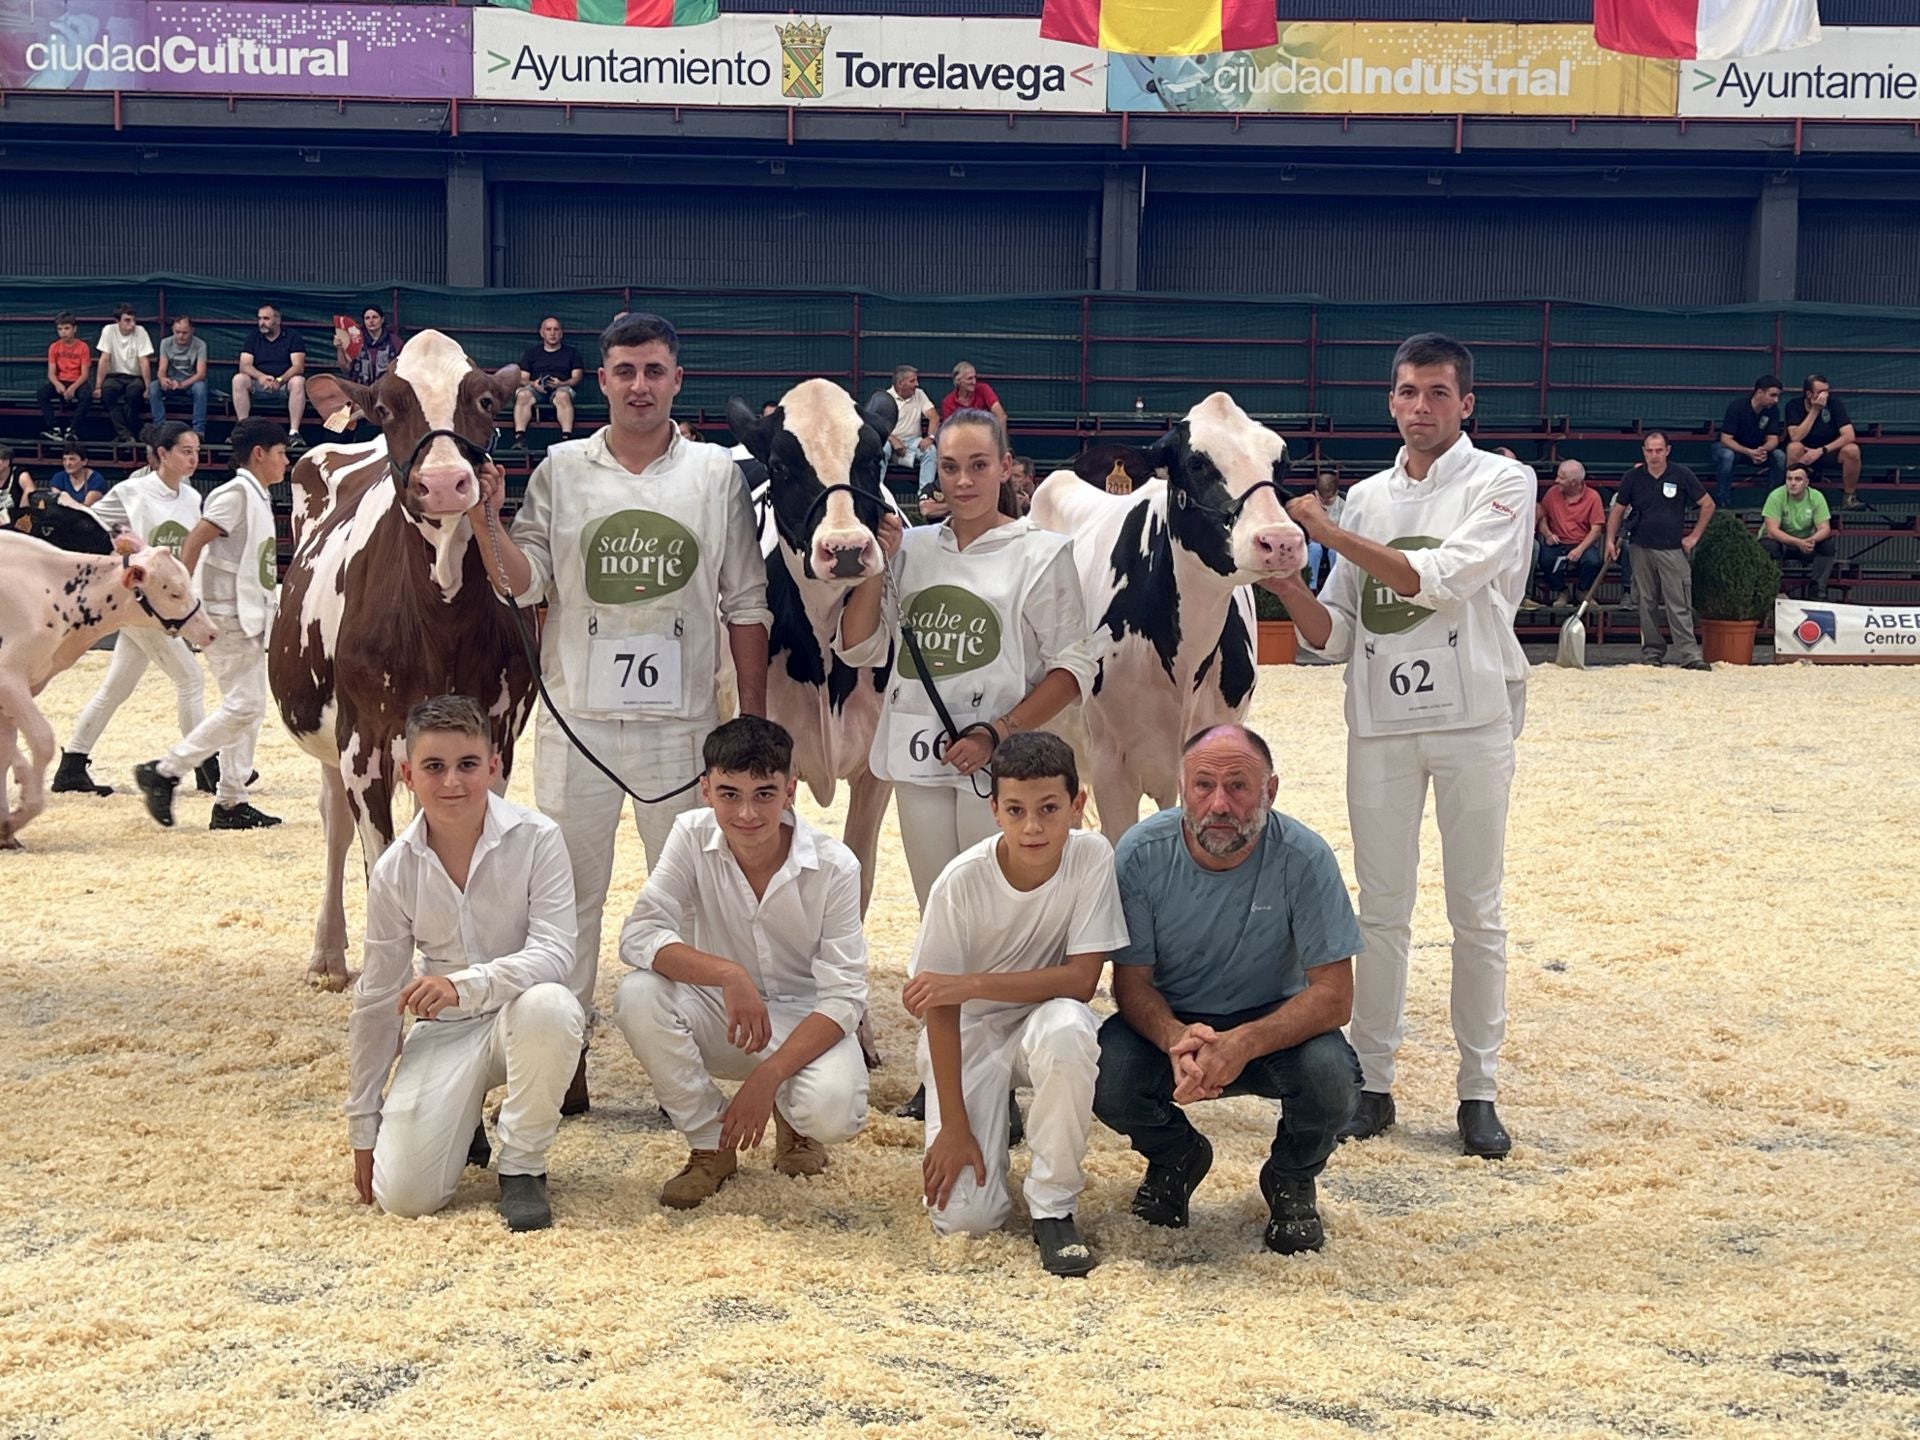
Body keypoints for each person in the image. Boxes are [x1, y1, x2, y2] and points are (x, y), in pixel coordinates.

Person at [472, 312, 772, 1076]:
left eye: (654, 371)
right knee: (567, 894)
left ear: (677, 380)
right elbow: (523, 583)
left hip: (686, 730)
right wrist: (484, 516)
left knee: (696, 897)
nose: (640, 386)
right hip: (580, 721)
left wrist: (756, 723)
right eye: (625, 371)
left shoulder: (714, 476)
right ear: (602, 379)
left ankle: (694, 1055)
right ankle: (560, 1059)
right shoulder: (559, 469)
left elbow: (745, 602)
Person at [1277, 332, 1534, 1160]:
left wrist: (1326, 529)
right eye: (1406, 392)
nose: (1419, 407)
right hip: (1381, 723)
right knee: (1379, 908)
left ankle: (1478, 1089)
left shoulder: (1503, 481)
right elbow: (1335, 632)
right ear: (1389, 400)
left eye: (1436, 393)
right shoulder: (1366, 499)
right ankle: (1374, 1081)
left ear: (1466, 404)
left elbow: (1442, 577)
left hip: (1474, 718)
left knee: (1476, 910)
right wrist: (1285, 571)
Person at [1093, 725, 1362, 1253]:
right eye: (1203, 786)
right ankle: (1176, 1156)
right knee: (1101, 1072)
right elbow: (1131, 982)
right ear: (1181, 786)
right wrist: (1175, 1038)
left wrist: (1243, 1043)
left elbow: (1335, 994)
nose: (1219, 804)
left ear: (1271, 791)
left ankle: (1291, 1176)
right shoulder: (1140, 853)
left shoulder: (1305, 858)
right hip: (1172, 1021)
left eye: (1239, 786)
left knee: (1334, 1080)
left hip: (1272, 1024)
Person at [836, 407, 1097, 910]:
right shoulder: (909, 548)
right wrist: (875, 568)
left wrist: (998, 732)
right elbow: (858, 645)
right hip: (918, 756)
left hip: (1003, 765)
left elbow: (1073, 668)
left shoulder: (1042, 554)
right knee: (938, 905)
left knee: (1001, 907)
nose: (963, 481)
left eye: (978, 465)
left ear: (1005, 467)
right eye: (950, 466)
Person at [347, 694, 585, 1233]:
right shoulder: (393, 870)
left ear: (494, 766)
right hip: (445, 1033)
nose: (452, 782)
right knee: (405, 1197)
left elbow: (556, 952)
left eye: (467, 765)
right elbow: (378, 997)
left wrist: (464, 984)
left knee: (552, 1005)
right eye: (434, 767)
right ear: (407, 774)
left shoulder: (538, 838)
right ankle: (463, 1117)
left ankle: (523, 1164)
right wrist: (363, 1124)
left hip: (522, 1019)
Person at [612, 716, 869, 1209]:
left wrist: (768, 1076)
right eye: (730, 794)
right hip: (724, 1014)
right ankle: (711, 1145)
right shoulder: (689, 834)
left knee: (836, 1112)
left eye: (765, 794)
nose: (747, 813)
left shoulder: (837, 866)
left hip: (803, 1020)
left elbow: (845, 997)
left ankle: (794, 1123)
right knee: (636, 993)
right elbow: (639, 934)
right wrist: (729, 976)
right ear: (705, 790)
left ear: (791, 790)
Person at [905, 731, 1126, 1277]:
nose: (1033, 827)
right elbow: (940, 1008)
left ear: (1078, 805)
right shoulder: (958, 884)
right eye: (1016, 810)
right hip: (967, 1032)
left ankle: (1054, 1206)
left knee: (1072, 1031)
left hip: (1044, 1017)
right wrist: (954, 1125)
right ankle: (988, 1113)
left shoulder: (1094, 855)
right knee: (964, 1218)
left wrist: (971, 983)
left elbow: (1080, 980)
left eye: (1050, 809)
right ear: (995, 810)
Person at [133, 418, 291, 831]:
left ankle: (231, 801)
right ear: (259, 454)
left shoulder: (254, 495)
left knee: (248, 710)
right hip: (225, 614)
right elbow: (194, 540)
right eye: (280, 453)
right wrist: (180, 603)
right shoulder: (235, 493)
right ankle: (166, 770)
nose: (286, 461)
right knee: (246, 705)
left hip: (247, 612)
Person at [54, 422, 209, 798]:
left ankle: (72, 766)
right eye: (185, 450)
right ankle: (208, 769)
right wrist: (116, 548)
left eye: (196, 451)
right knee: (190, 680)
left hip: (169, 607)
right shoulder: (131, 491)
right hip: (138, 604)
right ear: (161, 454)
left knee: (115, 688)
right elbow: (86, 519)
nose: (193, 457)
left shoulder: (191, 497)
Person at [1606, 431, 1715, 670]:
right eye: (1649, 450)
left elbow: (1707, 504)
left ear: (1667, 450)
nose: (1654, 455)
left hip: (1672, 548)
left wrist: (1694, 536)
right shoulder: (1632, 477)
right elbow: (1618, 509)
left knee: (1679, 602)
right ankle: (1652, 653)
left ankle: (1689, 654)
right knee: (1646, 603)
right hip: (1640, 547)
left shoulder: (1681, 474)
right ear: (1643, 451)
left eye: (1658, 450)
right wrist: (1610, 540)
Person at [924, 362, 1008, 497]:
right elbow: (950, 431)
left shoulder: (984, 389)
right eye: (969, 379)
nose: (974, 382)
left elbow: (1001, 416)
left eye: (975, 378)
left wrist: (1001, 446)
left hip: (986, 443)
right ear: (958, 381)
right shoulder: (948, 402)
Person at [231, 303, 308, 448]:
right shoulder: (253, 337)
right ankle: (243, 428)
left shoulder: (292, 336)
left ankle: (294, 433)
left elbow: (298, 366)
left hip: (284, 383)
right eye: (259, 319)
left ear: (277, 320)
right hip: (259, 383)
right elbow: (244, 365)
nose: (261, 323)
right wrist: (260, 377)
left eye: (266, 318)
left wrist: (280, 380)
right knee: (239, 379)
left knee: (298, 381)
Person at [1784, 374, 1863, 512]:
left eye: (1827, 391)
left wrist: (1821, 450)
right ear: (1809, 394)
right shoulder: (1793, 405)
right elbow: (1795, 436)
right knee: (1793, 447)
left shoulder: (1834, 404)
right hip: (1804, 453)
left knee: (1852, 450)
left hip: (1828, 451)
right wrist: (1815, 410)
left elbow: (1849, 435)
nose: (1825, 395)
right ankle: (1794, 498)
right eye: (1821, 392)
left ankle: (1850, 497)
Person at [1532, 459, 1605, 606]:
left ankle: (1583, 591)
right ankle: (1561, 591)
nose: (1556, 480)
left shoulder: (1593, 497)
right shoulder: (1552, 493)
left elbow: (1596, 529)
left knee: (1593, 561)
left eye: (1561, 478)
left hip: (1582, 543)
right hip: (1558, 542)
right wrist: (1547, 534)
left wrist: (1580, 549)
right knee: (1545, 559)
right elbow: (1542, 514)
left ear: (1574, 482)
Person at [1760, 465, 1836, 599]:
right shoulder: (1776, 496)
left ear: (1806, 482)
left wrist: (1812, 540)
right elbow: (1772, 531)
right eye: (1789, 479)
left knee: (1827, 545)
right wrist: (1797, 542)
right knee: (1768, 545)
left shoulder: (1817, 497)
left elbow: (1825, 528)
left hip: (1807, 543)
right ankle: (1773, 590)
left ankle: (1817, 590)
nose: (1793, 483)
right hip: (1781, 543)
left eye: (1798, 479)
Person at [1715, 374, 1787, 510]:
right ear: (1759, 392)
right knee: (1726, 456)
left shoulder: (1773, 411)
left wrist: (1762, 450)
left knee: (1779, 456)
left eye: (1778, 396)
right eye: (1772, 395)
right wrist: (1749, 452)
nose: (1776, 400)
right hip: (1734, 449)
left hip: (1757, 450)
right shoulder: (1737, 407)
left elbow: (1773, 439)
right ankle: (1723, 502)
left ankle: (1773, 503)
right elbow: (1725, 440)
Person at [512, 317, 584, 452]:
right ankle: (519, 438)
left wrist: (562, 383)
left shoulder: (572, 353)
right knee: (523, 395)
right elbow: (522, 378)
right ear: (542, 333)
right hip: (536, 388)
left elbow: (576, 378)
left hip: (561, 387)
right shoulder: (532, 353)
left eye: (556, 329)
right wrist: (534, 384)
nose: (552, 333)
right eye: (548, 329)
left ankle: (566, 438)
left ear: (561, 333)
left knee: (563, 396)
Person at [92, 302, 154, 445]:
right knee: (107, 393)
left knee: (133, 395)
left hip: (135, 377)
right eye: (127, 320)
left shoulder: (141, 331)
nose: (132, 324)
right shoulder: (108, 330)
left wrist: (147, 386)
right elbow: (104, 359)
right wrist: (98, 386)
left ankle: (126, 435)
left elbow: (144, 361)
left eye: (133, 320)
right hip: (114, 376)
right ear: (117, 321)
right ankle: (126, 434)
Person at [147, 315, 209, 435]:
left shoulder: (200, 345)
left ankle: (198, 430)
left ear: (192, 330)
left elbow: (201, 373)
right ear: (172, 330)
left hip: (191, 382)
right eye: (177, 332)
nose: (180, 336)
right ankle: (159, 428)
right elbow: (161, 369)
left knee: (201, 387)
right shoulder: (165, 343)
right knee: (154, 387)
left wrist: (182, 384)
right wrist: (163, 379)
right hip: (171, 381)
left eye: (184, 332)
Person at [38, 312, 94, 442]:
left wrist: (73, 388)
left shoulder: (83, 347)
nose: (63, 332)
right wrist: (58, 384)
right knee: (42, 394)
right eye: (60, 329)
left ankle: (73, 429)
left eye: (67, 328)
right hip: (61, 380)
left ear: (74, 329)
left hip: (77, 381)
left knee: (86, 396)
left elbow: (85, 374)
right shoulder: (54, 347)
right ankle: (54, 428)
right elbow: (51, 372)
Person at [879, 364, 938, 483]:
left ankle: (925, 495)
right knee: (882, 450)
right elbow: (878, 427)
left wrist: (930, 437)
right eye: (912, 381)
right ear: (900, 383)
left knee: (930, 450)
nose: (917, 384)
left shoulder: (919, 394)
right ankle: (876, 491)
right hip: (890, 441)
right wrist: (893, 440)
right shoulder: (885, 398)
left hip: (913, 442)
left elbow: (934, 416)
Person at [334, 304, 401, 388]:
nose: (371, 321)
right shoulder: (355, 341)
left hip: (386, 393)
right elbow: (346, 369)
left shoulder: (395, 342)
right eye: (367, 318)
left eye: (375, 317)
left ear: (382, 319)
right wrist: (340, 348)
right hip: (360, 392)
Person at [1303, 472, 1345, 591]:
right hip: (1314, 539)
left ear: (1336, 493)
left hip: (1334, 540)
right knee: (1315, 550)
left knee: (1335, 552)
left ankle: (1336, 587)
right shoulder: (1308, 502)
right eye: (1322, 499)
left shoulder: (1342, 503)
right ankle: (1311, 587)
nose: (1326, 501)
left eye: (1330, 499)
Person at [0, 447, 31, 526]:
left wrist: (22, 512)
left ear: (7, 461)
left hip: (14, 522)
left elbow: (30, 489)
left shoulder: (19, 474)